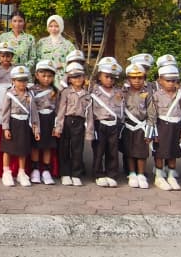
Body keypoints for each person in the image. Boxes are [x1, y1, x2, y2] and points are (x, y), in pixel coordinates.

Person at [148, 62, 181, 191]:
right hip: (162, 125)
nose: (171, 83)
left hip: (176, 125)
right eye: (167, 80)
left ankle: (171, 175)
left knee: (173, 152)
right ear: (160, 80)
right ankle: (159, 176)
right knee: (159, 152)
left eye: (174, 80)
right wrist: (153, 133)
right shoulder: (156, 95)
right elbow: (152, 115)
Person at [88, 57, 124, 187]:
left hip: (114, 125)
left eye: (112, 77)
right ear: (99, 76)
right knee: (99, 151)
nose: (110, 80)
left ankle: (112, 174)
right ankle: (98, 174)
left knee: (112, 151)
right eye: (106, 76)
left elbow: (121, 108)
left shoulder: (118, 91)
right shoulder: (94, 90)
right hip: (99, 124)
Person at [54, 61, 89, 186]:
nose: (77, 79)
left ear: (84, 77)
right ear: (69, 79)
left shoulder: (87, 93)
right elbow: (61, 110)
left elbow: (88, 111)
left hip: (79, 122)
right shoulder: (66, 92)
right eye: (74, 77)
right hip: (67, 121)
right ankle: (65, 173)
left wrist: (89, 130)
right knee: (64, 148)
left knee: (77, 149)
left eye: (80, 76)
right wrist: (58, 127)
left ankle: (76, 174)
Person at [0, 66, 35, 187]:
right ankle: (6, 172)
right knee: (8, 149)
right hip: (13, 123)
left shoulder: (30, 94)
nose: (22, 83)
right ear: (13, 81)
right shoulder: (9, 94)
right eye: (19, 80)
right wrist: (6, 128)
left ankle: (21, 173)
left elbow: (33, 112)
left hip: (25, 124)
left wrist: (35, 128)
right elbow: (5, 112)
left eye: (25, 80)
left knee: (23, 150)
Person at [121, 63, 153, 190]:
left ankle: (141, 174)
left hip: (142, 126)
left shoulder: (147, 93)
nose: (137, 81)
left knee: (141, 153)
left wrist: (149, 131)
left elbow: (151, 113)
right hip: (128, 126)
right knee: (129, 151)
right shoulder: (124, 93)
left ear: (144, 78)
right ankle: (132, 173)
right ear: (128, 79)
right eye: (133, 78)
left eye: (140, 78)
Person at [30, 61, 58, 185]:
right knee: (36, 145)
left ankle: (46, 171)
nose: (46, 79)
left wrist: (57, 125)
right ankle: (35, 169)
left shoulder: (55, 91)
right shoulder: (31, 90)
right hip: (37, 119)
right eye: (43, 75)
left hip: (50, 119)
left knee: (48, 145)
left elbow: (58, 108)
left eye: (50, 76)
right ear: (37, 75)